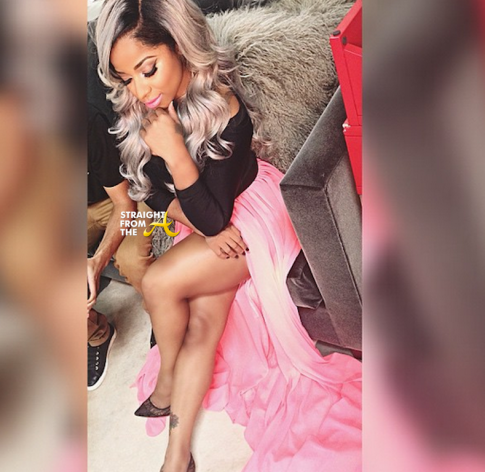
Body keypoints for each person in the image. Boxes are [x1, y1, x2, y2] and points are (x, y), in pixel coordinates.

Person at [95, 0, 362, 471]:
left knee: (157, 282)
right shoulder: (147, 108)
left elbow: (217, 218)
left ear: (179, 46)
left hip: (250, 219)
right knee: (201, 324)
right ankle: (177, 458)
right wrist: (186, 209)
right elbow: (150, 194)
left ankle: (169, 378)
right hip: (205, 223)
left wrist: (176, 154)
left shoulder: (228, 109)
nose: (140, 89)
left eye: (148, 69)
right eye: (126, 79)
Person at [87, 38, 155, 389]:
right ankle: (96, 333)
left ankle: (163, 315)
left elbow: (124, 204)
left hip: (129, 196)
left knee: (131, 260)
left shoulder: (85, 118)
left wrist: (97, 261)